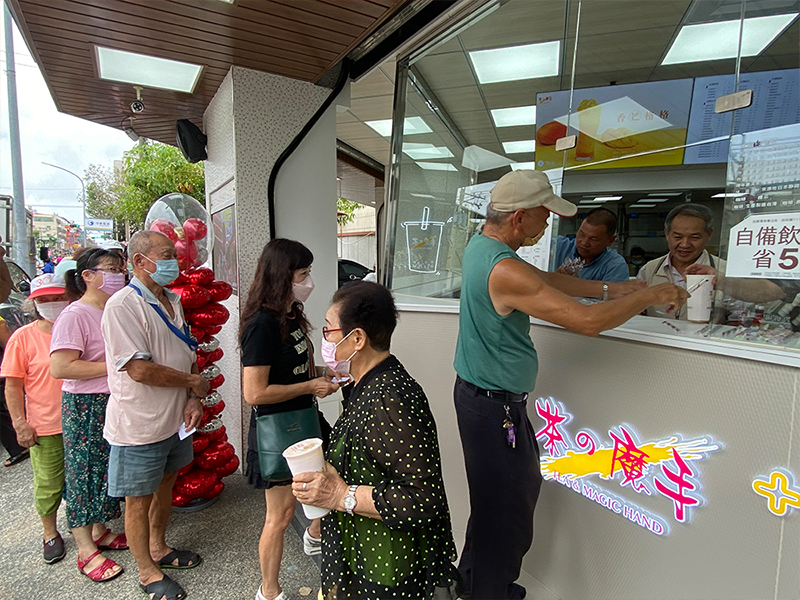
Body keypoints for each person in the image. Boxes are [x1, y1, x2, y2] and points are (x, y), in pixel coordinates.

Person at [453, 170, 687, 600]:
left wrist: (610, 289)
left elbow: (547, 281)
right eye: (545, 215)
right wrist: (651, 296)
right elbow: (586, 323)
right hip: (495, 410)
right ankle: (489, 592)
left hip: (484, 401)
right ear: (520, 217)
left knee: (494, 506)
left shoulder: (483, 246)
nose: (549, 225)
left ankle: (471, 585)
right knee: (506, 514)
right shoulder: (503, 267)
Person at [293, 282, 457, 600]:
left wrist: (342, 495)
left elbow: (422, 498)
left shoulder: (390, 396)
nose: (324, 338)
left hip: (386, 570)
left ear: (357, 338)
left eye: (328, 330)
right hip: (362, 557)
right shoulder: (365, 384)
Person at [102, 230, 208, 600]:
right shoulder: (122, 307)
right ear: (139, 262)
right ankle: (147, 572)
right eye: (165, 255)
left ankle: (160, 548)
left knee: (167, 484)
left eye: (173, 255)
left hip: (175, 419)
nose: (173, 262)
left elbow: (186, 349)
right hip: (139, 425)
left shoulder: (173, 301)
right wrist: (192, 380)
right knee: (138, 498)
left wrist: (192, 396)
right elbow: (139, 370)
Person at [239, 238, 338, 600]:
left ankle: (314, 535)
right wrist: (311, 385)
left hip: (305, 420)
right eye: (303, 274)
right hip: (279, 432)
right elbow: (255, 393)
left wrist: (323, 372)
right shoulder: (263, 324)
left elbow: (292, 368)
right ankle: (269, 591)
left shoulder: (291, 314)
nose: (309, 281)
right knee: (279, 518)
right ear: (283, 277)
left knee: (330, 480)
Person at [50, 247, 129, 582]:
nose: (118, 274)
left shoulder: (114, 308)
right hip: (86, 405)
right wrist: (112, 368)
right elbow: (61, 366)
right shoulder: (75, 315)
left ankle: (100, 530)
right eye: (110, 268)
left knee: (106, 469)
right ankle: (85, 548)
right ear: (87, 275)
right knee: (84, 472)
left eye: (119, 268)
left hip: (114, 399)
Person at [1, 274, 69, 563]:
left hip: (83, 421)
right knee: (49, 482)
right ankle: (50, 532)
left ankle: (94, 527)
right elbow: (13, 385)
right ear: (34, 304)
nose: (52, 304)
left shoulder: (78, 328)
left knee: (84, 479)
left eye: (57, 298)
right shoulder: (23, 337)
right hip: (46, 425)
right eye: (44, 300)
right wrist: (19, 422)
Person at [552, 207, 629, 282]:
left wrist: (578, 286)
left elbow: (614, 294)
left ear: (610, 240)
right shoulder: (557, 246)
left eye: (593, 239)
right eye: (581, 234)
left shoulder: (615, 266)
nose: (584, 243)